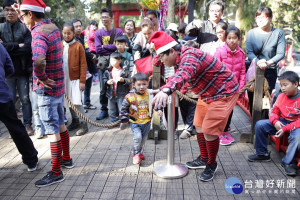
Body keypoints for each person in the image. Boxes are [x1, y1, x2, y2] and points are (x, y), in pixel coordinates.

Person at [150, 31, 239, 181]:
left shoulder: (189, 56)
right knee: (198, 125)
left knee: (209, 130)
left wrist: (166, 89)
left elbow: (183, 73)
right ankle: (204, 158)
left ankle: (212, 164)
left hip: (224, 92)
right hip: (207, 93)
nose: (161, 61)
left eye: (161, 57)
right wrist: (155, 48)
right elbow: (161, 63)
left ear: (172, 51)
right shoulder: (178, 56)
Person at [15, 0, 74, 187]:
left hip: (46, 91)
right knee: (61, 124)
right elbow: (27, 18)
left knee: (52, 131)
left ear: (30, 14)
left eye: (23, 15)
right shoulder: (52, 26)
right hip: (58, 88)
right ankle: (67, 159)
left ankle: (56, 172)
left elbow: (39, 60)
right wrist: (20, 11)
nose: (22, 19)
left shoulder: (38, 34)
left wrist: (40, 76)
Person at [248, 71, 300, 176]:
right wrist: (275, 121)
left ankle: (287, 162)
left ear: (295, 84)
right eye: (281, 85)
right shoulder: (280, 96)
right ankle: (262, 154)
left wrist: (285, 129)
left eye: (285, 85)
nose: (282, 88)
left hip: (296, 125)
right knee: (260, 125)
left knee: (298, 137)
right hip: (282, 121)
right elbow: (274, 111)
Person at [0, 43, 38, 172]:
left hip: (2, 95)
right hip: (2, 95)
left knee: (15, 126)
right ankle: (31, 160)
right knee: (15, 127)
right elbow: (9, 68)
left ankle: (31, 159)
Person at [0, 0, 34, 136]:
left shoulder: (24, 28)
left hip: (22, 70)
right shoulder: (1, 28)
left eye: (12, 10)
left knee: (25, 99)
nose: (10, 12)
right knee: (10, 101)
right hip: (6, 73)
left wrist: (6, 46)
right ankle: (14, 128)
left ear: (17, 11)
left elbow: (27, 48)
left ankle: (27, 125)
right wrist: (17, 45)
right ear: (3, 11)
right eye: (7, 9)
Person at [246, 7, 286, 114]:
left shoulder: (278, 33)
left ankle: (263, 124)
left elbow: (281, 53)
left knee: (266, 100)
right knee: (252, 98)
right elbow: (249, 52)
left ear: (270, 18)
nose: (260, 20)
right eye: (258, 17)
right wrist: (258, 61)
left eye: (264, 17)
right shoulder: (251, 33)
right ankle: (254, 126)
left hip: (270, 71)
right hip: (253, 70)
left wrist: (268, 63)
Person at [120, 73, 162, 164]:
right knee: (137, 138)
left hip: (147, 122)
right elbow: (124, 108)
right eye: (139, 85)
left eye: (144, 84)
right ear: (134, 84)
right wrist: (124, 119)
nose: (142, 87)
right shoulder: (130, 96)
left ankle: (139, 151)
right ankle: (136, 154)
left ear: (147, 83)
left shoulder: (150, 94)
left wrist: (159, 109)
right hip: (135, 122)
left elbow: (156, 102)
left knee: (143, 139)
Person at [214, 26, 246, 145]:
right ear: (225, 38)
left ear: (239, 39)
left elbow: (243, 71)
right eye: (229, 38)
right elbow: (215, 70)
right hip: (222, 88)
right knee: (222, 111)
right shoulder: (220, 51)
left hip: (235, 88)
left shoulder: (241, 53)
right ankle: (219, 133)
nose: (232, 40)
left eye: (235, 38)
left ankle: (226, 131)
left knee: (230, 110)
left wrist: (241, 87)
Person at [95, 8, 123, 120]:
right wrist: (112, 48)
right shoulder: (98, 33)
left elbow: (119, 46)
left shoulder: (118, 32)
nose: (104, 19)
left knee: (118, 85)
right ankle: (103, 109)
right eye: (102, 17)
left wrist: (104, 46)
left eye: (106, 17)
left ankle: (118, 109)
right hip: (104, 64)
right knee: (103, 87)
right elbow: (97, 49)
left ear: (111, 18)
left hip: (117, 64)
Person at [62, 23, 88, 136]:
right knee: (68, 101)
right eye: (64, 33)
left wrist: (82, 81)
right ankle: (75, 120)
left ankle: (84, 123)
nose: (67, 35)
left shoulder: (78, 45)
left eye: (69, 33)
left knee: (76, 101)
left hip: (75, 79)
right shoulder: (60, 45)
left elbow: (83, 64)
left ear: (73, 33)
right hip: (64, 79)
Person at [71, 19, 97, 111]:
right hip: (78, 67)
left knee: (88, 85)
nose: (78, 28)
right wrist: (91, 55)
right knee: (79, 87)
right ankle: (80, 106)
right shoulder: (72, 39)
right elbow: (81, 52)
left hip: (88, 64)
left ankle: (87, 103)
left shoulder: (83, 36)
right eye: (76, 26)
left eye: (79, 26)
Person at [103, 52, 131, 124]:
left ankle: (123, 122)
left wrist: (123, 80)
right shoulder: (108, 71)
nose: (112, 62)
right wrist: (107, 82)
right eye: (111, 60)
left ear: (120, 60)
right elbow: (104, 79)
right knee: (112, 109)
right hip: (111, 94)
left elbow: (130, 80)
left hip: (121, 94)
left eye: (114, 60)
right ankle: (113, 122)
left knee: (122, 109)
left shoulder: (124, 71)